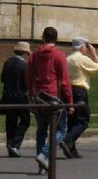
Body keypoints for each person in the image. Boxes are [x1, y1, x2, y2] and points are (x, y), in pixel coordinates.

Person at [28, 27, 71, 171]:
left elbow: (29, 77)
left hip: (39, 96)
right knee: (61, 129)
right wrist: (70, 102)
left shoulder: (34, 55)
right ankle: (44, 155)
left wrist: (31, 95)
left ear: (43, 37)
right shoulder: (59, 55)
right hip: (53, 97)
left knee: (41, 129)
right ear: (56, 39)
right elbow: (65, 81)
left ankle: (41, 164)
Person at [62, 37, 98, 157]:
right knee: (83, 120)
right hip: (79, 90)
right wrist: (94, 53)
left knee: (72, 120)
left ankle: (71, 150)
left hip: (67, 90)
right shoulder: (82, 59)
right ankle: (67, 139)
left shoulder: (67, 59)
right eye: (86, 47)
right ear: (83, 47)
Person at [0, 40, 32, 157]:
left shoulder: (7, 62)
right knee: (25, 121)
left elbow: (2, 79)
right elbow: (27, 83)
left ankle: (10, 146)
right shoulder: (24, 66)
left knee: (10, 122)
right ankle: (14, 143)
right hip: (21, 97)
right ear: (24, 53)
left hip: (7, 95)